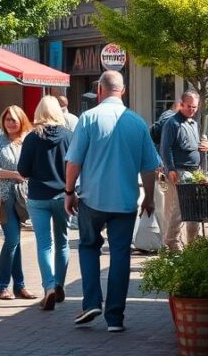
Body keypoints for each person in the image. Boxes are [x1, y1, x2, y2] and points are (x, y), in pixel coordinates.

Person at [65, 70, 161, 333]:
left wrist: (69, 191)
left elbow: (74, 161)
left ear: (99, 91)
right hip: (125, 201)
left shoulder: (88, 118)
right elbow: (149, 167)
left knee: (88, 246)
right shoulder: (138, 122)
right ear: (124, 91)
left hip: (92, 199)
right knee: (120, 255)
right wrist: (149, 198)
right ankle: (115, 318)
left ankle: (91, 302)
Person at [18, 95, 72, 311]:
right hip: (63, 195)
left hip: (38, 196)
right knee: (63, 242)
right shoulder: (69, 136)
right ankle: (59, 283)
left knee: (44, 244)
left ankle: (48, 286)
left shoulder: (32, 138)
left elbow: (23, 170)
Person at [0, 105, 35, 300]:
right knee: (12, 240)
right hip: (5, 197)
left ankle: (20, 286)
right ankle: (2, 286)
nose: (10, 123)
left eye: (14, 119)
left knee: (15, 243)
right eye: (7, 119)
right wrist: (12, 174)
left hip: (24, 198)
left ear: (22, 120)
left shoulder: (28, 141)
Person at [158, 91, 208, 252]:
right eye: (189, 106)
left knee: (194, 209)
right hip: (179, 170)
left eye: (195, 107)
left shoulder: (194, 123)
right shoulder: (172, 123)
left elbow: (198, 146)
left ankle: (192, 244)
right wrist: (171, 169)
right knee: (179, 208)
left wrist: (207, 147)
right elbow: (165, 148)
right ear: (181, 104)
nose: (192, 110)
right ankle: (171, 243)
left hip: (195, 171)